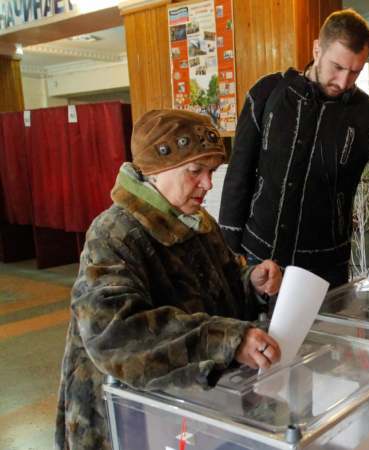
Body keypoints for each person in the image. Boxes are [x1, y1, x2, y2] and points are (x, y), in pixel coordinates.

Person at [55, 110, 285, 450]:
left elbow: (218, 285)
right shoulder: (114, 233)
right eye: (196, 172)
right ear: (156, 169)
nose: (207, 184)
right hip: (118, 415)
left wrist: (250, 281)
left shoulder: (196, 220)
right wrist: (225, 339)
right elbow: (115, 333)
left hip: (176, 409)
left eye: (211, 172)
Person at [219, 9, 369, 288]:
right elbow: (239, 175)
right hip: (257, 254)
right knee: (256, 332)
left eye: (355, 71)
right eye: (337, 67)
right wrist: (229, 251)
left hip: (324, 269)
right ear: (317, 49)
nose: (344, 82)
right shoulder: (266, 94)